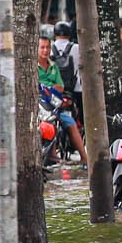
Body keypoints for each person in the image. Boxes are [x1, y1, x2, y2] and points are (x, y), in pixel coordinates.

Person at [37, 34, 86, 163]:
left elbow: (60, 87)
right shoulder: (32, 67)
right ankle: (51, 154)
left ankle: (84, 157)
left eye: (47, 47)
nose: (45, 50)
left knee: (70, 122)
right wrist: (49, 87)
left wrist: (46, 87)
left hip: (54, 107)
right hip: (39, 109)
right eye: (42, 47)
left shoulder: (53, 66)